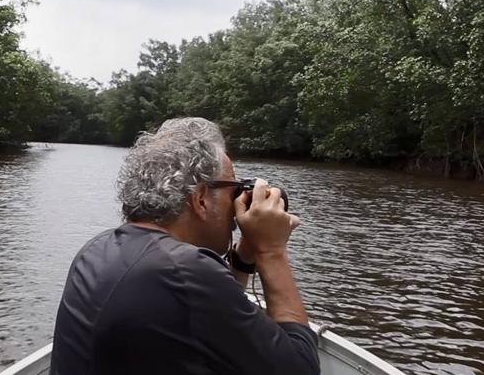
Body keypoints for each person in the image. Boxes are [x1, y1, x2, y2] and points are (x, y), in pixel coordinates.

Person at [50, 117, 320, 375]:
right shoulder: (184, 272)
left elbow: (213, 313)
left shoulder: (97, 248)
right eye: (233, 190)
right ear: (201, 199)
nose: (237, 204)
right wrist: (271, 251)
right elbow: (300, 369)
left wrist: (245, 255)